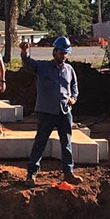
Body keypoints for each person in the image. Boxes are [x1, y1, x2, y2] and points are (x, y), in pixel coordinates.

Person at [21, 36, 80, 185]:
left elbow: (74, 88)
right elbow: (29, 65)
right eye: (61, 53)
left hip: (64, 111)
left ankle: (69, 173)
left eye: (66, 53)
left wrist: (73, 98)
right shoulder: (43, 67)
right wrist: (24, 53)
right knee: (40, 142)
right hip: (47, 111)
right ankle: (31, 174)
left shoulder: (69, 69)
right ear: (54, 52)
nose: (64, 56)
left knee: (66, 143)